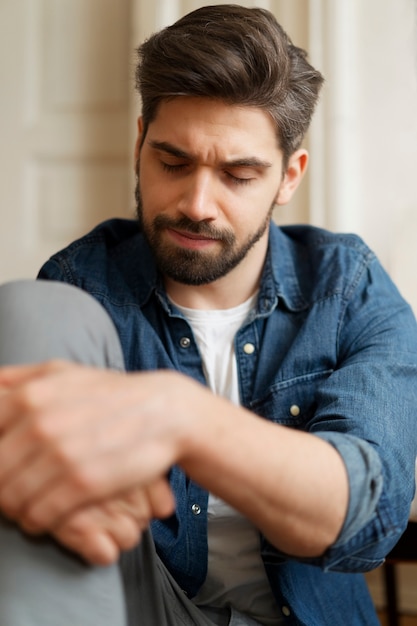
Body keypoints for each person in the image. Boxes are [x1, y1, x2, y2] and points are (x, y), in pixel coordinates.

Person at [0, 4, 416, 625]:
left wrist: (181, 416)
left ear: (287, 177)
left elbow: (362, 517)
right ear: (140, 141)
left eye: (238, 175)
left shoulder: (347, 286)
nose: (197, 204)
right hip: (140, 610)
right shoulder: (81, 284)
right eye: (173, 163)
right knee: (26, 311)